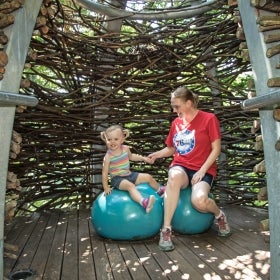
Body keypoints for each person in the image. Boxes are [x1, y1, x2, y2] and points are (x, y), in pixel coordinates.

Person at [148, 86, 231, 251]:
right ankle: (166, 230)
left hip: (203, 169)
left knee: (199, 201)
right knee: (174, 176)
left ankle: (219, 215)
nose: (174, 110)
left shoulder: (209, 119)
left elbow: (216, 149)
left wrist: (202, 171)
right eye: (172, 106)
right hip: (181, 167)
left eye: (176, 106)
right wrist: (156, 155)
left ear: (189, 103)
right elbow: (171, 149)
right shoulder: (176, 123)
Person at [101, 124, 165, 213]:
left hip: (129, 174)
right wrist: (106, 187)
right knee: (130, 186)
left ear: (122, 139)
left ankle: (160, 191)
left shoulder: (126, 149)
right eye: (109, 139)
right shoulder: (108, 156)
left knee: (148, 177)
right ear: (106, 140)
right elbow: (104, 173)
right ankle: (143, 202)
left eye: (116, 139)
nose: (112, 142)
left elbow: (132, 157)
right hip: (117, 179)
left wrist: (143, 158)